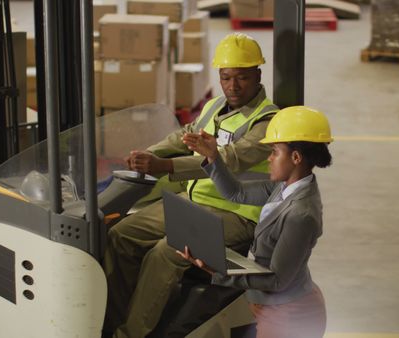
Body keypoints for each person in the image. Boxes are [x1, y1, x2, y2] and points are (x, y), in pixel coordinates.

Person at [103, 33, 279, 338]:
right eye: (226, 77)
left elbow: (228, 159)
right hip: (195, 203)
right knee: (120, 235)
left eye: (242, 78)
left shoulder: (267, 122)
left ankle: (130, 334)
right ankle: (113, 322)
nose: (233, 86)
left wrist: (165, 167)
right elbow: (186, 135)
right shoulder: (214, 106)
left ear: (258, 76)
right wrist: (151, 154)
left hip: (237, 214)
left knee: (166, 252)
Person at [179, 106, 332, 338]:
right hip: (271, 305)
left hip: (289, 314)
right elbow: (236, 193)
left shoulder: (301, 214)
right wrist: (213, 156)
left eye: (274, 152)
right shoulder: (284, 187)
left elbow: (277, 279)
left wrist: (218, 270)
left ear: (296, 157)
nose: (269, 158)